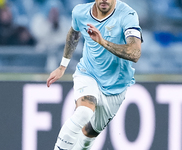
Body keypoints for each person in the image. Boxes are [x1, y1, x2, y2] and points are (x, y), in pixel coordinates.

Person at [47, 0, 142, 149]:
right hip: (88, 73)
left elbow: (135, 53)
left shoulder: (128, 15)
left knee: (89, 133)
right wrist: (62, 66)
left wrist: (103, 42)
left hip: (116, 85)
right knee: (83, 112)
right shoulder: (80, 12)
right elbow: (74, 32)